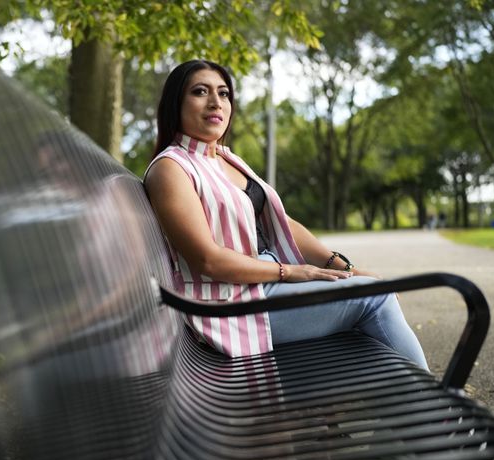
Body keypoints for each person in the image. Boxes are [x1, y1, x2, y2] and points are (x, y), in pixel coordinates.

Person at [143, 60, 427, 369]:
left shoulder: (225, 158)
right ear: (176, 103)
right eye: (200, 91)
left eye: (224, 94)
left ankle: (419, 408)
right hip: (230, 306)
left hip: (263, 287)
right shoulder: (171, 168)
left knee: (372, 297)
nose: (216, 102)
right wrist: (289, 271)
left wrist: (347, 269)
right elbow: (207, 259)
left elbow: (285, 225)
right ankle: (442, 413)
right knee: (375, 299)